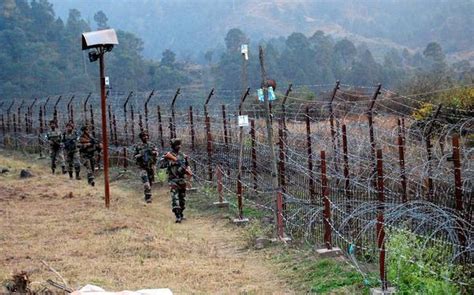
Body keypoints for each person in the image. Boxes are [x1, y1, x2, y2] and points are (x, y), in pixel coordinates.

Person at [159, 138, 192, 223]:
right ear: (173, 146)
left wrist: (188, 171)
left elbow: (187, 165)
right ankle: (177, 216)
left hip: (182, 179)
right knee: (175, 197)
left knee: (182, 199)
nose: (179, 146)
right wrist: (171, 162)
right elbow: (161, 165)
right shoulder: (168, 155)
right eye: (177, 145)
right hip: (173, 179)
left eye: (179, 144)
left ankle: (181, 214)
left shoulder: (183, 156)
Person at [133, 130, 158, 203]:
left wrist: (154, 153)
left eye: (146, 136)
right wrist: (140, 155)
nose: (145, 137)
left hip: (151, 166)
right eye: (144, 136)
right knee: (146, 184)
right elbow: (134, 156)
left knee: (150, 183)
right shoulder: (138, 146)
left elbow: (157, 153)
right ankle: (148, 198)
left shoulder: (152, 145)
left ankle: (147, 195)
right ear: (141, 137)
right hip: (142, 167)